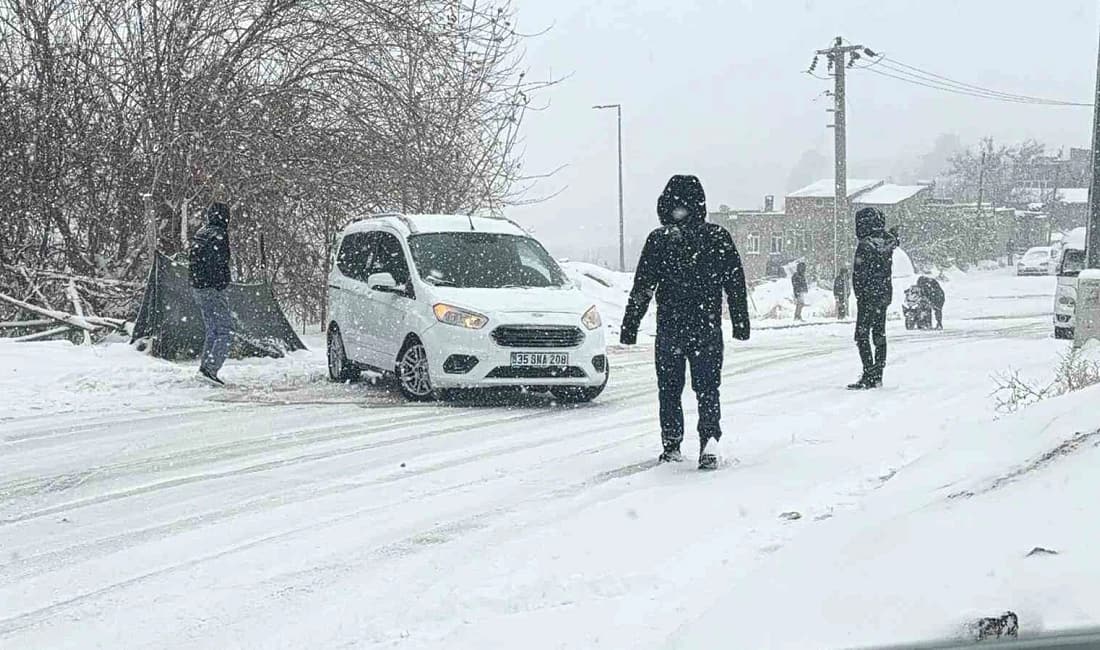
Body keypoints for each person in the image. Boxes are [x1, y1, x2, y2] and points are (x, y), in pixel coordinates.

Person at [620, 175, 750, 470]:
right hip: (705, 327)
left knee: (669, 388)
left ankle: (672, 444)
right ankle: (709, 441)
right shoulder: (718, 237)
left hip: (671, 328)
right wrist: (740, 323)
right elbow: (735, 283)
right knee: (707, 388)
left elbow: (643, 287)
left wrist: (631, 325)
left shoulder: (659, 240)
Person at [849, 207, 898, 390]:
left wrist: (860, 294)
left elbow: (859, 275)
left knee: (861, 335)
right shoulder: (887, 244)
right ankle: (878, 374)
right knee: (879, 334)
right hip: (883, 295)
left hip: (868, 296)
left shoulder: (865, 245)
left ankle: (868, 373)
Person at [189, 202, 233, 386]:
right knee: (225, 331)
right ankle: (211, 368)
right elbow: (219, 264)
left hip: (198, 287)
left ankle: (205, 367)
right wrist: (222, 283)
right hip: (212, 288)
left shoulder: (201, 233)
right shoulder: (219, 236)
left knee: (212, 329)